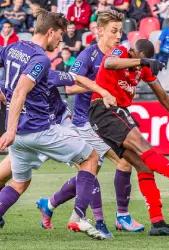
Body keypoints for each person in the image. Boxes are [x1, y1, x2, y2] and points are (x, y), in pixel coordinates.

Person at [88, 39, 169, 236]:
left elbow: (163, 96)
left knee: (144, 166)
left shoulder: (142, 67)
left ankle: (158, 223)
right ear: (133, 52)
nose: (140, 64)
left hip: (117, 113)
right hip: (104, 108)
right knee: (143, 145)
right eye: (139, 59)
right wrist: (141, 62)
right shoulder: (122, 51)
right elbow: (109, 63)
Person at [36, 10, 145, 237]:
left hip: (106, 121)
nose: (118, 35)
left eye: (120, 31)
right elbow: (70, 87)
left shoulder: (118, 54)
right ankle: (106, 220)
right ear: (99, 31)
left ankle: (50, 203)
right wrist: (98, 85)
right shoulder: (88, 56)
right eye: (113, 31)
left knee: (93, 171)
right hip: (85, 121)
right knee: (108, 165)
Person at [0, 9, 105, 240]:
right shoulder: (39, 59)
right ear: (50, 32)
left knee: (19, 183)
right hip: (39, 130)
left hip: (19, 137)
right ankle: (78, 217)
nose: (61, 40)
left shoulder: (12, 48)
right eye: (60, 35)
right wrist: (9, 128)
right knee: (92, 158)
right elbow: (19, 91)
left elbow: (13, 89)